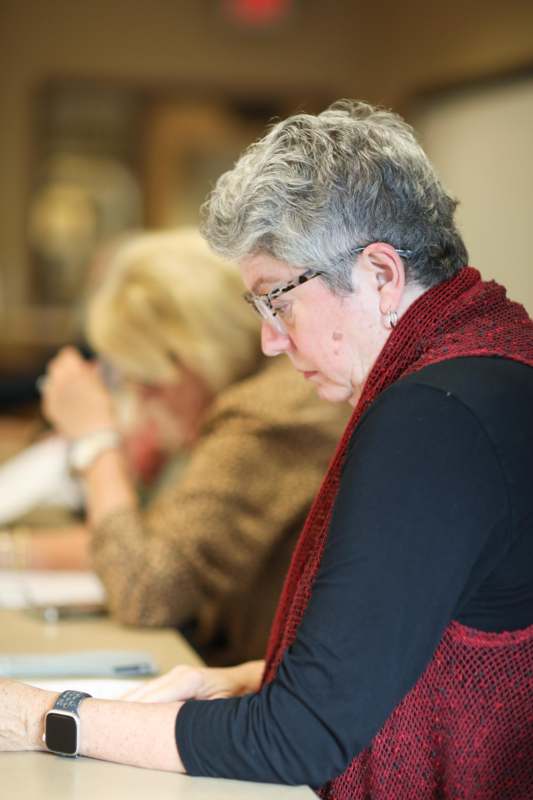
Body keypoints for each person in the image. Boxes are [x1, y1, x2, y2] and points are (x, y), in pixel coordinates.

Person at [2, 101, 533, 799]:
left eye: (275, 300)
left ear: (379, 274)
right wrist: (259, 675)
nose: (268, 342)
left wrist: (49, 715)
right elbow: (414, 643)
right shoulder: (491, 361)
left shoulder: (431, 413)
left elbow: (301, 736)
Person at [3, 227, 347, 664]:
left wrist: (95, 440)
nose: (143, 405)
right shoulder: (256, 396)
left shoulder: (268, 415)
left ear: (194, 354)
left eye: (148, 383)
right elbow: (156, 536)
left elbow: (145, 590)